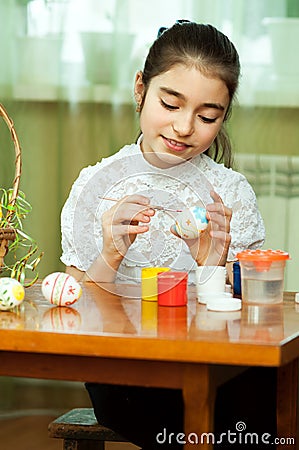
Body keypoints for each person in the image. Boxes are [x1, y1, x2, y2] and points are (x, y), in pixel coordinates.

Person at [61, 21, 273, 450]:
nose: (184, 127)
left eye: (207, 116)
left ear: (223, 116)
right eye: (170, 104)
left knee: (256, 397)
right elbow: (75, 312)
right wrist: (111, 255)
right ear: (141, 88)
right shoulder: (95, 185)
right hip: (125, 369)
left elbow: (251, 326)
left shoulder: (229, 194)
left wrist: (212, 266)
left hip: (212, 365)